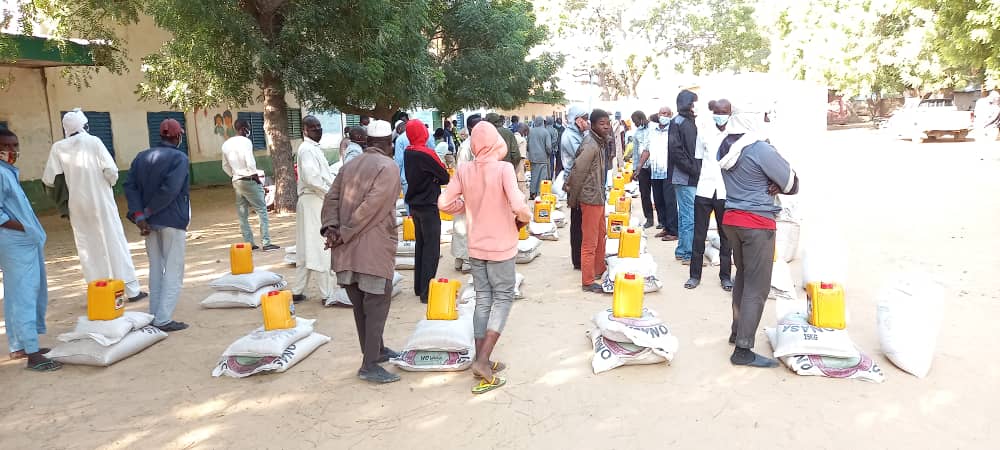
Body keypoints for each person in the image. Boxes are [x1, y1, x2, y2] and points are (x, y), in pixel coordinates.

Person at [439, 121, 531, 394]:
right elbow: (518, 204)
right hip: (501, 246)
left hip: (476, 246)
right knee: (502, 298)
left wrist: (465, 204)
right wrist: (524, 218)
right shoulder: (503, 169)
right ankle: (482, 360)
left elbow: (444, 203)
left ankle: (482, 358)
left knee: (483, 299)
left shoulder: (464, 169)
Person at [718, 105, 800, 368]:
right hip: (757, 223)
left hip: (732, 219)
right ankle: (743, 350)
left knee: (743, 277)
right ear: (752, 120)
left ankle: (737, 331)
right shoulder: (760, 148)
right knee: (757, 286)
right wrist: (774, 178)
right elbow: (792, 184)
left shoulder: (725, 146)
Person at [322, 123, 402, 384]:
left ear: (368, 142)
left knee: (361, 307)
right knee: (376, 304)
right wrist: (343, 232)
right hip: (371, 250)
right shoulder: (388, 167)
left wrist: (331, 229)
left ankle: (377, 351)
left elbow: (331, 198)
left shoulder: (349, 165)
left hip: (346, 252)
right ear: (388, 143)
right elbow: (372, 207)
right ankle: (369, 365)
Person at [42, 109, 147, 302]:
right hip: (102, 202)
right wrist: (106, 183)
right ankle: (131, 291)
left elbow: (49, 180)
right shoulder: (94, 141)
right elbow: (111, 171)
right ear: (83, 125)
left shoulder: (58, 148)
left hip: (77, 206)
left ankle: (100, 294)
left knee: (88, 249)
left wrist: (65, 200)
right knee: (114, 242)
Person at [1, 128, 61, 372]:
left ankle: (20, 345)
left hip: (23, 240)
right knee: (25, 293)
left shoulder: (8, 171)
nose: (12, 150)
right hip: (14, 241)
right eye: (6, 146)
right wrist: (23, 228)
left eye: (15, 145)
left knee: (18, 293)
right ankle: (33, 353)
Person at [123, 119, 190, 332]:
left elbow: (130, 186)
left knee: (155, 267)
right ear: (178, 137)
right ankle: (163, 319)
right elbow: (170, 190)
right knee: (173, 268)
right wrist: (148, 212)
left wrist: (140, 215)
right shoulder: (179, 158)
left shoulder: (141, 157)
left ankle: (154, 313)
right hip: (172, 220)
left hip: (148, 224)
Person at [686, 99, 733, 291]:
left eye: (724, 112)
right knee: (699, 235)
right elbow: (697, 159)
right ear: (713, 112)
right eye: (717, 112)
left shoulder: (735, 134)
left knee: (726, 236)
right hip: (704, 190)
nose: (720, 115)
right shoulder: (704, 132)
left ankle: (725, 277)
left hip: (725, 191)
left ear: (730, 113)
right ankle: (694, 276)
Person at [403, 119, 450, 303]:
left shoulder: (408, 152)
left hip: (414, 205)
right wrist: (434, 179)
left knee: (421, 245)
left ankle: (418, 286)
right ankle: (427, 292)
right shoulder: (426, 153)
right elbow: (444, 176)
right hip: (429, 204)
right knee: (431, 248)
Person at [565, 109, 611, 292]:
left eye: (607, 123)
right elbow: (578, 172)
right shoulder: (590, 144)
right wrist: (573, 198)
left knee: (601, 235)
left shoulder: (600, 142)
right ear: (593, 125)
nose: (606, 126)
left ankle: (599, 269)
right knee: (590, 241)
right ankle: (587, 281)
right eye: (602, 123)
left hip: (598, 196)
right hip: (590, 197)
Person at [291, 116, 335, 304]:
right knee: (320, 246)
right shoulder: (307, 149)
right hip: (313, 200)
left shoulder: (312, 148)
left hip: (313, 200)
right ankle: (327, 294)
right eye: (313, 127)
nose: (318, 130)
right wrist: (329, 192)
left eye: (319, 126)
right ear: (305, 130)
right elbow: (311, 178)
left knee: (305, 248)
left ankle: (297, 290)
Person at [221, 118, 279, 252]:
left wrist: (234, 175)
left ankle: (249, 243)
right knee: (262, 210)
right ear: (243, 129)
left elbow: (225, 166)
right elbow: (250, 161)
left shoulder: (226, 144)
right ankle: (266, 242)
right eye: (248, 128)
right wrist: (256, 178)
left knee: (243, 214)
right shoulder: (246, 142)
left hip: (237, 181)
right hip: (249, 179)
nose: (249, 131)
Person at [669, 90, 703, 264]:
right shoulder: (679, 122)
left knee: (685, 215)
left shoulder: (688, 122)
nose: (696, 106)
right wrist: (693, 169)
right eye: (694, 102)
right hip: (684, 176)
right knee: (690, 216)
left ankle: (682, 250)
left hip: (688, 175)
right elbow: (677, 152)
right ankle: (688, 253)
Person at [637, 106, 678, 241]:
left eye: (666, 113)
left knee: (670, 201)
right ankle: (665, 226)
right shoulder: (652, 131)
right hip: (655, 171)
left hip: (669, 171)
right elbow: (646, 150)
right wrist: (639, 167)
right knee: (659, 200)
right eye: (661, 113)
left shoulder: (674, 130)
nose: (663, 116)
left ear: (671, 115)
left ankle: (673, 230)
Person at [451, 114, 483, 273]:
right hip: (467, 191)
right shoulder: (466, 147)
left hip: (475, 190)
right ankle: (466, 261)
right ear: (471, 128)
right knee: (464, 227)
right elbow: (462, 171)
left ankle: (460, 259)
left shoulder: (478, 144)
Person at [560, 105, 590, 270]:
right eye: (584, 119)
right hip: (575, 184)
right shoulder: (570, 136)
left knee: (582, 221)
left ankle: (581, 257)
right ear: (577, 120)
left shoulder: (578, 134)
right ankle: (578, 260)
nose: (587, 122)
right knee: (578, 222)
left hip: (581, 182)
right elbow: (583, 157)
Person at [393, 118, 436, 201]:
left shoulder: (400, 140)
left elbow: (399, 162)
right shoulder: (428, 135)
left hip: (407, 179)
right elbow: (433, 154)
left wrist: (397, 180)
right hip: (427, 178)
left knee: (410, 206)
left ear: (400, 128)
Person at [630, 111, 654, 228]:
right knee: (644, 194)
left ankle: (663, 221)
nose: (635, 124)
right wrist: (635, 169)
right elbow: (635, 153)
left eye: (635, 121)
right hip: (642, 168)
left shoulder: (653, 129)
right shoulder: (636, 133)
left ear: (640, 119)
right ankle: (649, 219)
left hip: (654, 166)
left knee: (659, 195)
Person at [527, 116, 552, 199]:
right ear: (542, 122)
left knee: (534, 175)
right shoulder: (545, 132)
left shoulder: (531, 131)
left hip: (532, 157)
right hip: (543, 158)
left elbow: (527, 145)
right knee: (542, 176)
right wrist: (549, 153)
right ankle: (539, 193)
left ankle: (532, 192)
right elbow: (548, 147)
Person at [514, 123, 530, 198]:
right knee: (521, 182)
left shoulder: (512, 137)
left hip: (512, 164)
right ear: (524, 131)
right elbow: (522, 156)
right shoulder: (522, 140)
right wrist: (524, 167)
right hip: (519, 163)